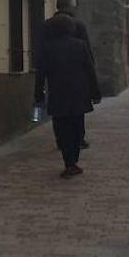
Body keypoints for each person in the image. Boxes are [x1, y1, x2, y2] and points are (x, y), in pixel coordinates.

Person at [35, 12, 102, 178]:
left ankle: (68, 162)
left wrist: (38, 93)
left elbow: (40, 72)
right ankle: (73, 160)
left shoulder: (48, 47)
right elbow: (89, 70)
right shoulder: (80, 45)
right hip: (78, 92)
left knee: (61, 127)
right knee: (77, 126)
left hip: (58, 93)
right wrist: (95, 91)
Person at [46, 0, 95, 148]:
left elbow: (41, 52)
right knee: (77, 111)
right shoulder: (78, 25)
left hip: (55, 76)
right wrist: (91, 79)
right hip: (76, 76)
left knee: (58, 111)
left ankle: (60, 140)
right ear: (67, 6)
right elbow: (87, 51)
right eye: (72, 5)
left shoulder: (46, 25)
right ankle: (78, 139)